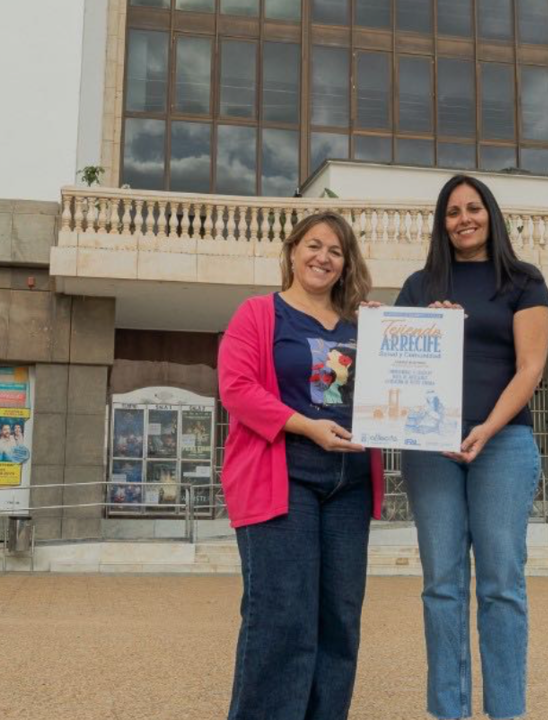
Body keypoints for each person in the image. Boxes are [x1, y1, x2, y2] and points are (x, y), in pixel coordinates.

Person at [395, 175, 548, 720]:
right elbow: (395, 355)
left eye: (473, 208)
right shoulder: (420, 285)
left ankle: (506, 712)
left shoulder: (523, 281)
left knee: (501, 584)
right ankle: (449, 711)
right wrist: (420, 323)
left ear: (491, 214)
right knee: (441, 584)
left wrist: (486, 428)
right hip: (430, 447)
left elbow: (530, 368)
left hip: (502, 443)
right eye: (453, 211)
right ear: (442, 223)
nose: (464, 219)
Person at [217, 211, 385, 720]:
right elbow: (236, 388)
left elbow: (401, 389)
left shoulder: (362, 325)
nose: (323, 258)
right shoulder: (258, 313)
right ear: (292, 251)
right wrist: (306, 426)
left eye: (336, 251)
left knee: (339, 620)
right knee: (281, 614)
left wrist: (395, 334)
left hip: (350, 483)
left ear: (346, 264)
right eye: (314, 245)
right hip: (284, 473)